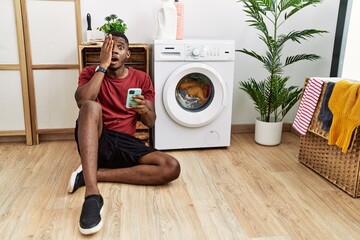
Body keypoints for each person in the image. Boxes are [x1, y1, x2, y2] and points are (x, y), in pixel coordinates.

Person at [67, 31, 181, 235]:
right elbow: (81, 101)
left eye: (120, 47)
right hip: (99, 139)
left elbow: (151, 121)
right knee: (90, 107)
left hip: (126, 142)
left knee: (171, 167)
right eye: (110, 47)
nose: (115, 52)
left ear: (128, 54)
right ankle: (92, 194)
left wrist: (144, 110)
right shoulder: (90, 73)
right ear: (102, 52)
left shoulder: (142, 79)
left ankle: (91, 174)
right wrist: (101, 66)